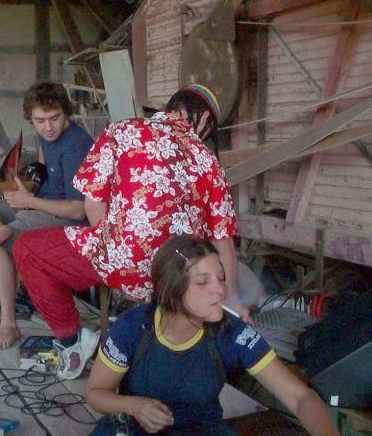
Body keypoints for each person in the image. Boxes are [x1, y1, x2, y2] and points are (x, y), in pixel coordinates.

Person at [13, 83, 249, 380]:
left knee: (27, 249)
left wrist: (117, 252)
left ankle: (72, 341)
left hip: (120, 263)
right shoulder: (210, 162)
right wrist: (232, 299)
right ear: (203, 119)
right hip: (174, 278)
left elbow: (92, 205)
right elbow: (223, 243)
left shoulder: (123, 130)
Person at [85, 235, 338, 435]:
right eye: (202, 282)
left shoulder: (232, 333)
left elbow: (299, 397)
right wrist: (134, 406)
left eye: (221, 278)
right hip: (135, 429)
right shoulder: (133, 328)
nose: (220, 290)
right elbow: (95, 393)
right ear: (172, 290)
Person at [0, 82, 94, 350]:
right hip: (43, 204)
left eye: (54, 118)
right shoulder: (48, 137)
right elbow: (50, 178)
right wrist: (25, 194)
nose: (48, 127)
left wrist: (29, 201)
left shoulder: (76, 146)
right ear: (31, 118)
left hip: (68, 219)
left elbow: (79, 210)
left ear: (66, 113)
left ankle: (8, 324)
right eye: (40, 121)